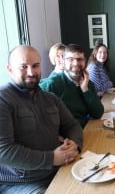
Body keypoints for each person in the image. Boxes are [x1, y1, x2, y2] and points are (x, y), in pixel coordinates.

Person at [0, 45, 82, 193]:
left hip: (59, 170)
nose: (31, 72)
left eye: (35, 66)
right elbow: (3, 151)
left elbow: (72, 125)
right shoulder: (3, 100)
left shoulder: (50, 98)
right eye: (23, 67)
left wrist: (74, 144)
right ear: (10, 69)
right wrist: (51, 158)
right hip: (22, 183)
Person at [40, 44, 104, 128]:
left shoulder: (88, 83)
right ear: (64, 61)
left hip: (85, 130)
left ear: (84, 61)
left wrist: (85, 89)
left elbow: (98, 113)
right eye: (70, 59)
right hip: (65, 136)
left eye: (80, 59)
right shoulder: (52, 83)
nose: (76, 63)